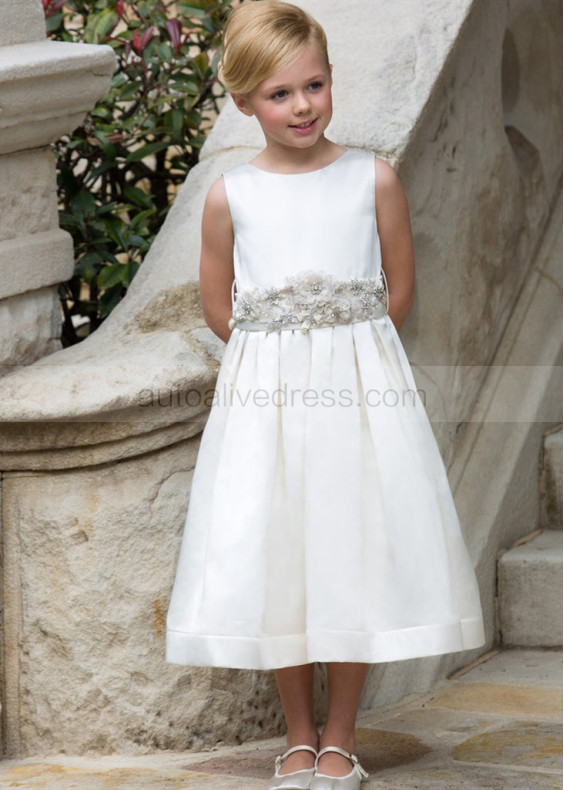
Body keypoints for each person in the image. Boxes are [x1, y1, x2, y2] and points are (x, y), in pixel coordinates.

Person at [166, 2, 486, 788]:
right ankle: (298, 733)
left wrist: (344, 352)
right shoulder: (230, 196)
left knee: (350, 551)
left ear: (332, 80)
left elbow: (397, 293)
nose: (303, 106)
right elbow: (219, 307)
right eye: (280, 94)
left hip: (357, 400)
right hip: (266, 407)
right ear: (244, 102)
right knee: (283, 555)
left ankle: (342, 733)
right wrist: (279, 350)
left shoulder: (370, 178)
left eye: (314, 85)